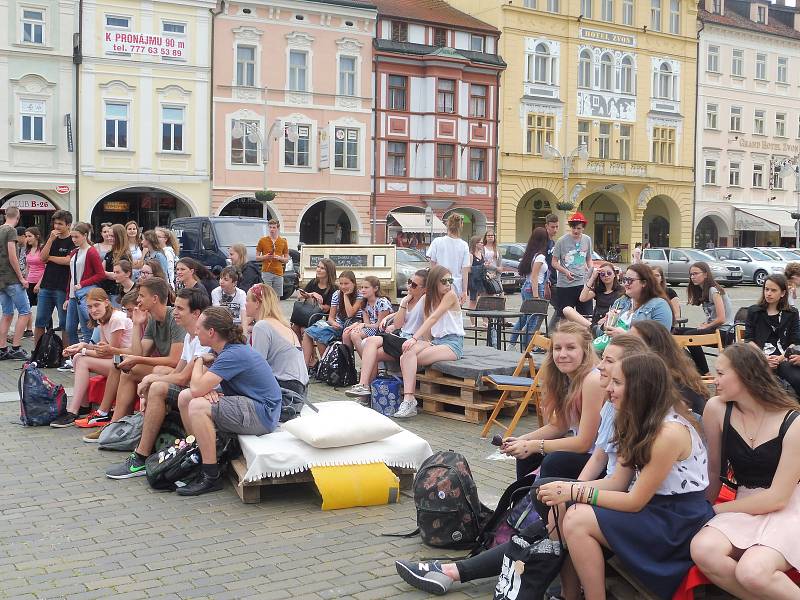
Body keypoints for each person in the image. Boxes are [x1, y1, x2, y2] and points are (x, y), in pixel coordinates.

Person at [393, 333, 648, 597]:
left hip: (634, 504)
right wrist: (526, 443)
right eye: (557, 348)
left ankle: (457, 570)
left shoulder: (602, 388)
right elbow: (577, 440)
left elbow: (594, 454)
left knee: (553, 501)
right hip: (609, 486)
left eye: (608, 361)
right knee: (548, 501)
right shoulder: (610, 402)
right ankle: (465, 567)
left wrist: (570, 488)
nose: (601, 366)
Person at [537, 354, 714, 600]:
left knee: (577, 518)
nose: (608, 389)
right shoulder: (635, 418)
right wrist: (567, 490)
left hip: (676, 522)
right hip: (655, 510)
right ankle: (570, 594)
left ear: (641, 387)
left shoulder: (669, 433)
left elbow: (634, 501)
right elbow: (618, 482)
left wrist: (573, 491)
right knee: (564, 508)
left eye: (617, 383)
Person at [690, 344, 800, 600]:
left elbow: (778, 498)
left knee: (753, 571)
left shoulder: (793, 422)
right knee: (703, 548)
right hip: (745, 502)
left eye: (720, 373)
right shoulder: (717, 408)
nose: (714, 381)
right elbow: (714, 471)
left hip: (790, 505)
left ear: (745, 374)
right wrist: (699, 510)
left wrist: (715, 510)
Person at [104, 287, 210, 478]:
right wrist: (151, 381)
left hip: (208, 394)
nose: (175, 312)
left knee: (158, 385)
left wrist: (150, 380)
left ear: (196, 313)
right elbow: (177, 372)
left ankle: (141, 456)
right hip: (194, 389)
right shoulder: (189, 335)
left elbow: (183, 378)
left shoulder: (203, 338)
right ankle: (117, 427)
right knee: (155, 379)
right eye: (175, 307)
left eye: (180, 309)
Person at [175, 307, 283, 495]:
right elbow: (201, 387)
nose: (195, 331)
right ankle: (199, 455)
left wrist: (199, 360)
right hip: (249, 404)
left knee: (197, 405)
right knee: (185, 398)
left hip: (263, 413)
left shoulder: (232, 354)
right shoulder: (221, 351)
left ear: (211, 332)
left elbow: (197, 387)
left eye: (199, 328)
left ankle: (211, 476)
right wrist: (207, 390)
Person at [81, 278, 185, 442]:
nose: (138, 300)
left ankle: (116, 425)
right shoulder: (152, 320)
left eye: (142, 296)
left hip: (179, 371)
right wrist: (136, 325)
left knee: (128, 368)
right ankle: (117, 424)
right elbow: (139, 352)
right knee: (122, 365)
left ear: (155, 298)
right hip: (164, 367)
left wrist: (134, 358)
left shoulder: (174, 317)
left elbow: (174, 360)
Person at [502, 321, 605, 480]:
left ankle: (542, 502)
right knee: (527, 455)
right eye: (557, 348)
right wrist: (522, 441)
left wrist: (534, 445)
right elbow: (560, 426)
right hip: (587, 454)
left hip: (602, 461)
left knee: (553, 461)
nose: (562, 354)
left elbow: (584, 443)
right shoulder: (564, 378)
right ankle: (522, 502)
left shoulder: (593, 380)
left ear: (585, 351)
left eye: (570, 348)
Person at [49, 288, 133, 427]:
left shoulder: (116, 319)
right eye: (89, 306)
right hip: (117, 359)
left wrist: (83, 349)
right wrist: (82, 347)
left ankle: (73, 410)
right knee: (78, 358)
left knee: (81, 359)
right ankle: (83, 404)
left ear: (106, 302)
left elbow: (110, 352)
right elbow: (103, 349)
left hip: (125, 360)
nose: (93, 310)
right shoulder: (103, 319)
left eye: (96, 305)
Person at [345, 269, 427, 401]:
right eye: (409, 282)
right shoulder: (407, 300)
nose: (409, 286)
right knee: (372, 351)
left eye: (414, 285)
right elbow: (399, 324)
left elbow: (399, 325)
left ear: (424, 289)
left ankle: (363, 387)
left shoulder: (424, 300)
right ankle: (364, 390)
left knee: (370, 342)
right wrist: (403, 304)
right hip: (401, 337)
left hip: (412, 340)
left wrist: (391, 318)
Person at [395, 266, 465, 418]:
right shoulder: (427, 298)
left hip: (453, 343)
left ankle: (408, 399)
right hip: (436, 341)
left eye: (450, 280)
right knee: (406, 354)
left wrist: (414, 339)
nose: (448, 284)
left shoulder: (451, 296)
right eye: (444, 281)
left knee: (407, 357)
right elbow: (427, 323)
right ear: (434, 282)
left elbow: (434, 318)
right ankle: (409, 399)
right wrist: (424, 342)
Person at [630, 320, 710, 414]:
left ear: (651, 347)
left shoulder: (663, 381)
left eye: (633, 342)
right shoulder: (676, 370)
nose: (627, 345)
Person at [246, 284, 308, 399]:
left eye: (247, 300)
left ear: (257, 304)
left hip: (286, 390)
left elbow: (257, 366)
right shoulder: (280, 324)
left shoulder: (262, 326)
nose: (245, 304)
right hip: (300, 388)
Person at [743, 274, 800, 398]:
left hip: (783, 357)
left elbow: (795, 340)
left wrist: (782, 357)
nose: (768, 293)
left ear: (783, 293)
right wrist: (763, 357)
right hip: (758, 357)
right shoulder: (754, 311)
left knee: (796, 379)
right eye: (766, 289)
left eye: (773, 290)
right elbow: (748, 340)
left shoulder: (792, 313)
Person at [674, 261, 733, 375]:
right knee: (676, 331)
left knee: (688, 336)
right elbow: (712, 317)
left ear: (706, 274)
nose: (692, 277)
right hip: (714, 329)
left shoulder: (713, 290)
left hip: (725, 332)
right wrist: (705, 324)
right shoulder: (703, 290)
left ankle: (705, 372)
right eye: (691, 274)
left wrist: (706, 326)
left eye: (696, 273)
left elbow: (721, 319)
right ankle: (686, 367)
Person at [302, 270, 361, 371]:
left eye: (346, 284)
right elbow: (331, 317)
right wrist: (333, 323)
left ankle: (327, 367)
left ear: (353, 284)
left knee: (321, 336)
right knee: (309, 332)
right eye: (341, 283)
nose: (343, 287)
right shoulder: (336, 294)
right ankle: (305, 367)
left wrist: (346, 296)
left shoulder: (359, 295)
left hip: (353, 325)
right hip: (337, 325)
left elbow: (350, 314)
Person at [34, 210, 74, 346]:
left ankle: (65, 354)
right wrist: (50, 240)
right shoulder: (51, 238)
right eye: (55, 223)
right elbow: (42, 258)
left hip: (63, 286)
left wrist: (49, 258)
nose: (56, 227)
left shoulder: (72, 240)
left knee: (64, 323)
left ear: (68, 225)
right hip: (46, 285)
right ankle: (37, 352)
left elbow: (68, 260)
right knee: (40, 320)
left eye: (60, 224)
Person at [63, 223, 106, 349]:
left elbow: (100, 274)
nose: (74, 240)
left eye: (76, 237)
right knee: (69, 328)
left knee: (87, 328)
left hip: (84, 294)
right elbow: (71, 276)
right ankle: (75, 354)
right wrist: (67, 296)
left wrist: (83, 283)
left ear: (85, 236)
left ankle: (86, 354)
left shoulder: (91, 251)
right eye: (72, 237)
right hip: (73, 294)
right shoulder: (74, 252)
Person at [604, 263, 674, 335]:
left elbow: (660, 340)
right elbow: (603, 333)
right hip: (611, 345)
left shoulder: (659, 305)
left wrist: (625, 336)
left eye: (630, 280)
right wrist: (607, 323)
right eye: (624, 280)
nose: (626, 284)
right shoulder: (620, 301)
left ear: (644, 283)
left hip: (635, 346)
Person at [509, 227, 549, 350]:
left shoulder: (531, 254)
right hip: (534, 288)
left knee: (525, 317)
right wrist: (536, 296)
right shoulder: (540, 257)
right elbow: (535, 277)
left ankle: (512, 343)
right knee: (533, 318)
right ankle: (528, 346)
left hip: (526, 287)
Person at [0, 207, 31, 359]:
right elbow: (13, 256)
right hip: (12, 279)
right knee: (25, 312)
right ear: (17, 217)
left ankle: (2, 348)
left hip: (1, 280)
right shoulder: (11, 231)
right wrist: (21, 278)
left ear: (6, 215)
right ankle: (16, 347)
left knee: (7, 314)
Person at [551, 211, 594, 322]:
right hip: (565, 285)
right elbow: (554, 262)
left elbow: (588, 258)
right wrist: (565, 271)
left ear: (583, 228)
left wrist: (591, 271)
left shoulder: (587, 240)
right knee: (564, 317)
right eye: (573, 228)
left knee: (585, 317)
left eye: (579, 228)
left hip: (583, 284)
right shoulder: (561, 241)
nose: (576, 231)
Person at [563, 261, 623, 334]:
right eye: (602, 274)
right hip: (594, 323)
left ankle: (593, 330)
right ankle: (593, 329)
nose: (606, 276)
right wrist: (593, 277)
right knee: (567, 310)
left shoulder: (621, 290)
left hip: (610, 322)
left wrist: (606, 318)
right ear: (599, 277)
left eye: (609, 273)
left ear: (614, 274)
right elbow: (582, 298)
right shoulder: (598, 290)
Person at [342, 276, 392, 357]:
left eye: (366, 287)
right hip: (372, 329)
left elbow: (380, 325)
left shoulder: (382, 303)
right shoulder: (365, 303)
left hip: (383, 331)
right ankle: (349, 364)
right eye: (361, 287)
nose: (363, 290)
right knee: (346, 333)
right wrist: (356, 325)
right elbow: (367, 324)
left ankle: (367, 362)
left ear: (375, 288)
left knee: (355, 335)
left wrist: (362, 325)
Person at [426, 214, 470, 305]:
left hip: (438, 282)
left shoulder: (437, 241)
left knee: (437, 312)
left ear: (447, 225)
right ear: (461, 226)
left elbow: (432, 266)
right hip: (455, 284)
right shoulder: (464, 245)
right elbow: (465, 270)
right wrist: (464, 291)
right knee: (453, 315)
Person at [292, 258, 336, 340]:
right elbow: (299, 296)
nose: (318, 270)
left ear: (329, 271)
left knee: (304, 329)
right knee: (295, 327)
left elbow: (327, 309)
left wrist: (318, 303)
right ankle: (301, 350)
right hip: (307, 315)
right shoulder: (313, 282)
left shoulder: (333, 288)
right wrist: (311, 294)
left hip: (320, 317)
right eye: (318, 267)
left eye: (322, 268)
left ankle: (310, 352)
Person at [255, 219, 289, 298]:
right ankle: (266, 310)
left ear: (278, 228)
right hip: (266, 271)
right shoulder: (262, 241)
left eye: (274, 227)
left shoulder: (283, 241)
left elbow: (286, 259)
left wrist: (279, 258)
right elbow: (257, 257)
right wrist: (265, 257)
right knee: (266, 296)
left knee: (277, 296)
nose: (272, 230)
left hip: (278, 273)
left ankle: (276, 310)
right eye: (270, 227)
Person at [98, 224, 130, 299]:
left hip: (117, 292)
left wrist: (106, 274)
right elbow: (101, 270)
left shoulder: (124, 255)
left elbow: (120, 275)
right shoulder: (109, 253)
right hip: (106, 291)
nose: (109, 238)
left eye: (112, 236)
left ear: (119, 237)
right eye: (108, 236)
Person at [23, 227, 44, 329]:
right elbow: (28, 267)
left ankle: (49, 332)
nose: (27, 238)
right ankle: (28, 329)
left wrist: (39, 284)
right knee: (26, 307)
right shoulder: (28, 250)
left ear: (37, 237)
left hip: (41, 282)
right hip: (30, 281)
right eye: (26, 236)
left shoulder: (42, 249)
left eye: (30, 236)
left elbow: (46, 269)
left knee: (43, 308)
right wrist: (26, 280)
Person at [466, 235, 487, 311]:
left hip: (482, 280)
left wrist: (486, 269)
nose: (482, 244)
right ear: (475, 243)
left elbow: (483, 268)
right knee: (473, 302)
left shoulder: (482, 254)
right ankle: (473, 323)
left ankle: (485, 322)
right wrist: (481, 267)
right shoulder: (471, 255)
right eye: (480, 242)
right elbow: (468, 269)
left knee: (484, 301)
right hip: (473, 281)